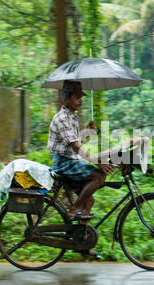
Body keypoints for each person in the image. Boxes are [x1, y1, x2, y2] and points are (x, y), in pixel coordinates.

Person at [47, 80, 114, 258]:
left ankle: (81, 244)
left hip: (71, 159)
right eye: (77, 97)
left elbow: (75, 140)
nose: (80, 100)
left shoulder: (71, 117)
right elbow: (75, 147)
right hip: (64, 163)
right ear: (66, 98)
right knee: (99, 177)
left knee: (89, 201)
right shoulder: (62, 118)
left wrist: (86, 132)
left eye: (81, 97)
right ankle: (75, 208)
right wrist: (96, 162)